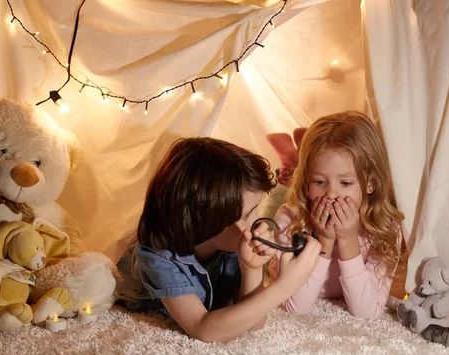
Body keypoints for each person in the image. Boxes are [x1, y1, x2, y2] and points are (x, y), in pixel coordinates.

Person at [117, 137, 321, 343]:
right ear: (206, 220)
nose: (258, 222)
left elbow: (254, 323)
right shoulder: (157, 256)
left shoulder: (233, 244)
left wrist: (251, 268)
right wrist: (286, 285)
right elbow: (203, 329)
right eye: (247, 214)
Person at [271, 111, 407, 318]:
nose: (331, 194)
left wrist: (348, 239)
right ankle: (291, 157)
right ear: (307, 182)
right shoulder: (289, 220)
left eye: (345, 183)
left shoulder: (386, 226)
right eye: (319, 182)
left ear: (370, 183)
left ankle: (292, 154)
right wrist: (324, 239)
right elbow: (295, 308)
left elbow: (367, 313)